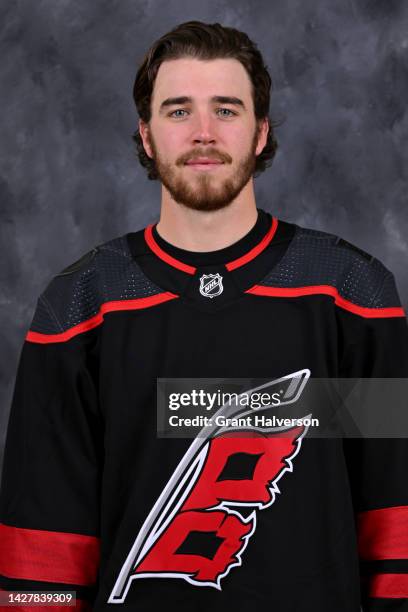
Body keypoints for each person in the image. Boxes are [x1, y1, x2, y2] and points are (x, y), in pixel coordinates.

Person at [1, 20, 407, 612]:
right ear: (145, 135)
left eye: (226, 109)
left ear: (261, 131)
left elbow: (393, 512)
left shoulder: (349, 292)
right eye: (177, 111)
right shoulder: (82, 303)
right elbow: (42, 545)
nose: (203, 132)